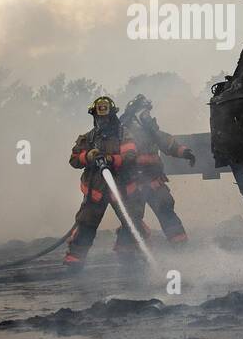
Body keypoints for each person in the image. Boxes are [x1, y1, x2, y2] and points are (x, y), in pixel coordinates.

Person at [64, 96, 138, 269]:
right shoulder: (88, 139)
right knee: (86, 225)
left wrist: (111, 160)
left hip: (120, 188)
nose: (102, 121)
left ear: (112, 116)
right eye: (99, 118)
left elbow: (131, 156)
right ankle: (74, 261)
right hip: (96, 191)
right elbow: (74, 160)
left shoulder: (123, 134)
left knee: (132, 222)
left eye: (106, 117)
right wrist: (88, 156)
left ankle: (129, 259)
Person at [116, 94, 195, 253]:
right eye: (145, 112)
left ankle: (181, 247)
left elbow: (167, 142)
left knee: (165, 209)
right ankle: (127, 254)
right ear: (135, 113)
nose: (148, 116)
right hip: (133, 184)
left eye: (148, 112)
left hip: (154, 181)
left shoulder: (151, 131)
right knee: (132, 218)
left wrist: (184, 152)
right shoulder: (122, 132)